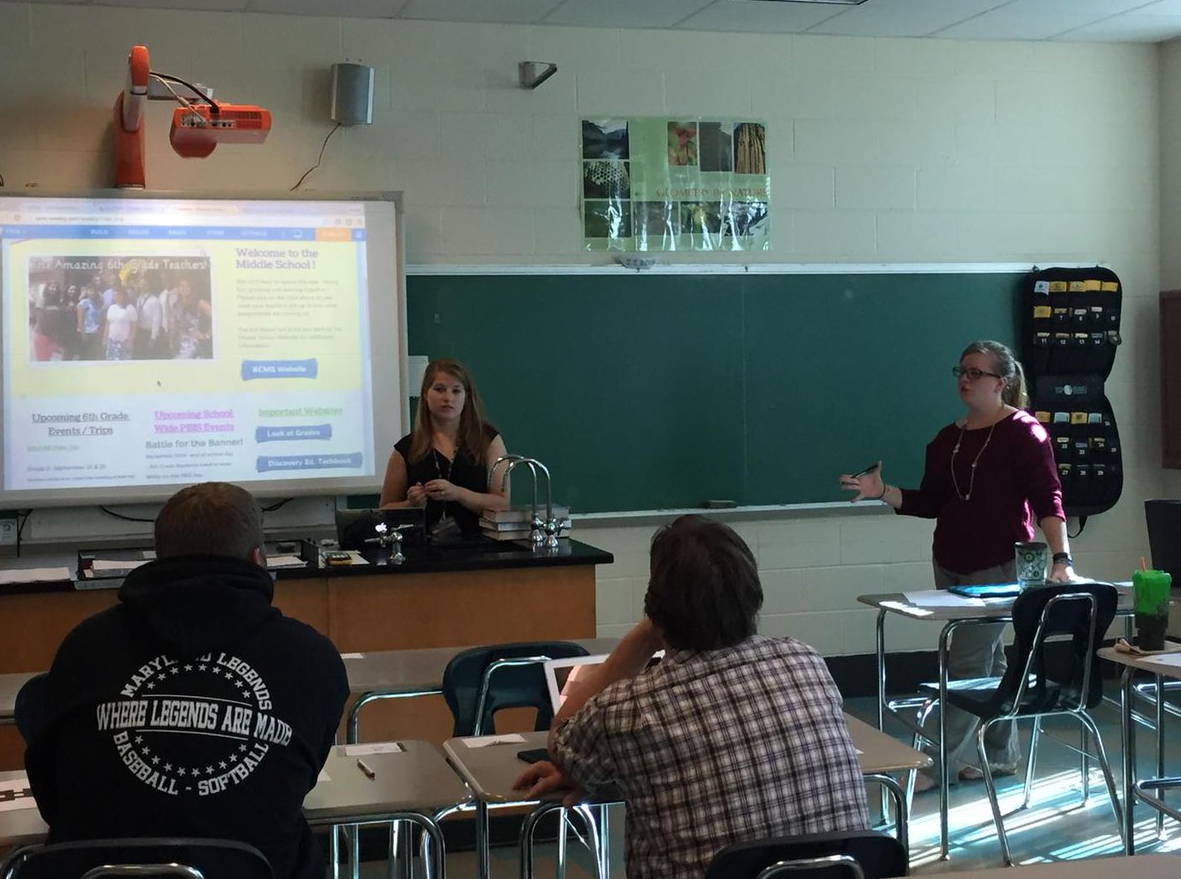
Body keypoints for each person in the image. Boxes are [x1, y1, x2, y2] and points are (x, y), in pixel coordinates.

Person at [512, 516, 869, 879]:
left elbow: (562, 738)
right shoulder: (805, 661)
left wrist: (645, 636)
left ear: (657, 611)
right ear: (752, 595)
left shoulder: (627, 710)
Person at [24, 483, 348, 879]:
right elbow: (299, 779)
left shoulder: (84, 646)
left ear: (159, 556)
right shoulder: (310, 657)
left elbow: (50, 790)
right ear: (258, 559)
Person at [838, 339, 1074, 790]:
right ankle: (1003, 754)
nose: (964, 380)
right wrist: (881, 492)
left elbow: (1049, 497)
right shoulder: (947, 438)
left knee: (965, 665)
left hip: (1000, 565)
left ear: (1001, 382)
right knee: (989, 660)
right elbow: (932, 501)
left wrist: (1061, 558)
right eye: (961, 371)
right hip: (949, 562)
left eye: (975, 373)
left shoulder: (1025, 433)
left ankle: (935, 764)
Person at [380, 358, 510, 540]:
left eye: (456, 391)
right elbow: (383, 512)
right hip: (421, 552)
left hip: (480, 550)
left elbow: (502, 505)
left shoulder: (488, 440)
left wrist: (458, 493)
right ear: (426, 394)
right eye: (439, 389)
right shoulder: (406, 448)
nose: (448, 398)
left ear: (466, 396)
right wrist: (410, 504)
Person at [103, 285, 137, 360]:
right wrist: (105, 339)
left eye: (119, 294)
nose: (117, 297)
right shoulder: (111, 308)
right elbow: (107, 324)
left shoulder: (130, 308)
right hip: (111, 342)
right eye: (115, 295)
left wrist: (130, 341)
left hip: (124, 342)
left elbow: (133, 328)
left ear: (124, 295)